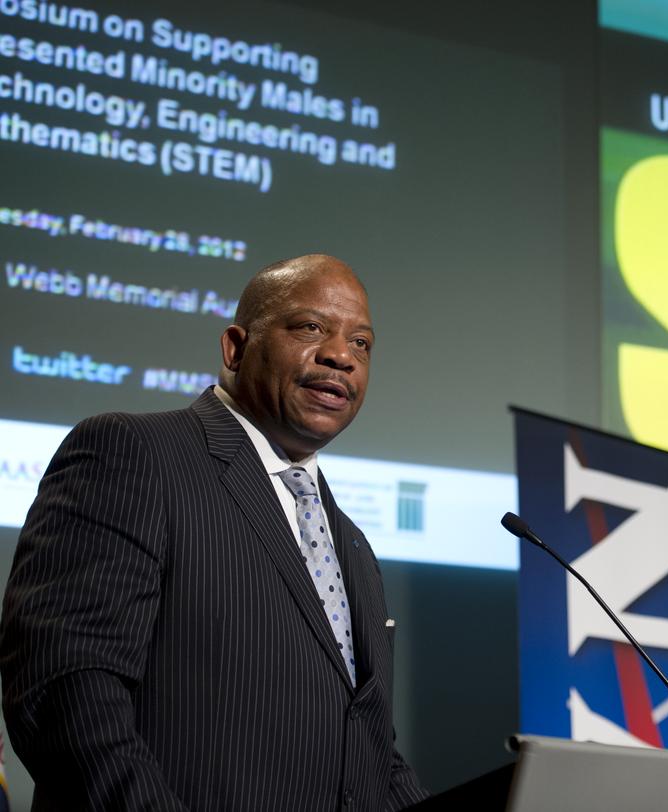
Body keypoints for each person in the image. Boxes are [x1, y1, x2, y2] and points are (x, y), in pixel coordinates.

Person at [0, 255, 429, 809]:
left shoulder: (352, 546)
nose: (341, 356)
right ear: (235, 348)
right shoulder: (135, 454)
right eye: (310, 327)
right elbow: (67, 687)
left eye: (362, 343)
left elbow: (370, 753)